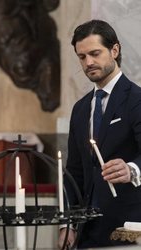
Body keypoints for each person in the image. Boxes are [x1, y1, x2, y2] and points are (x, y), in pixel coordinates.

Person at [58, 19, 141, 249]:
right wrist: (68, 224)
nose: (88, 62)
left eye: (95, 53)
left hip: (128, 229)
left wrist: (131, 169)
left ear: (115, 50)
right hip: (87, 231)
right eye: (82, 57)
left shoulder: (136, 100)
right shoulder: (81, 108)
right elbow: (74, 172)